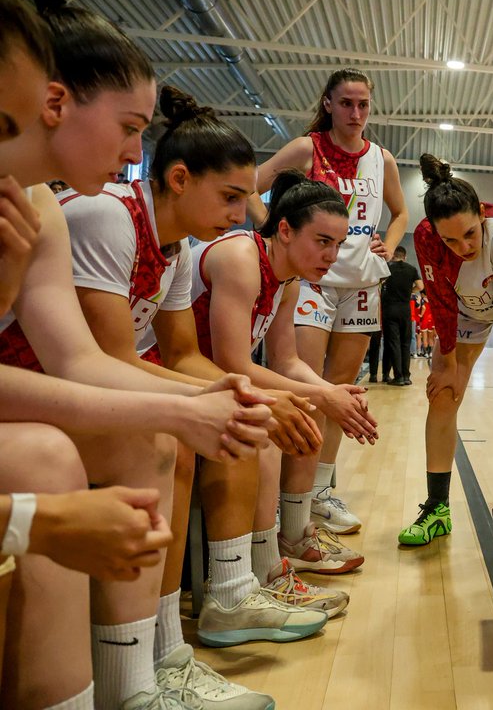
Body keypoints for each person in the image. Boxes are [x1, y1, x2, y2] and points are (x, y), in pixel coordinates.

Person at [0, 0, 274, 710]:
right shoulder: (100, 214)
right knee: (72, 453)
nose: (135, 147)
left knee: (172, 433)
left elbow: (84, 361)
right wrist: (193, 403)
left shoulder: (45, 210)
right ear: (53, 101)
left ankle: (146, 671)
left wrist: (208, 398)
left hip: (42, 392)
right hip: (31, 411)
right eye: (129, 127)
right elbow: (111, 361)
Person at [61, 85, 329, 704]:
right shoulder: (107, 215)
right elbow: (109, 360)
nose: (240, 215)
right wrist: (214, 394)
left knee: (226, 417)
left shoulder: (175, 246)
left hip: (89, 379)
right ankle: (147, 665)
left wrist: (226, 391)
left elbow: (180, 353)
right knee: (166, 438)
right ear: (179, 178)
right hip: (54, 384)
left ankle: (207, 616)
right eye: (232, 197)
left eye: (246, 199)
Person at [191, 168, 378, 603]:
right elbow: (232, 363)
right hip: (180, 374)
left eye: (338, 243)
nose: (332, 255)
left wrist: (331, 394)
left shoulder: (289, 280)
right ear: (286, 230)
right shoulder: (241, 257)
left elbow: (287, 361)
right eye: (323, 241)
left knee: (306, 405)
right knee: (271, 423)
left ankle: (291, 541)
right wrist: (321, 393)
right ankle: (265, 573)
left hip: (213, 378)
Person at [254, 67, 409, 540]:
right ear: (328, 104)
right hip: (313, 280)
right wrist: (274, 236)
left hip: (361, 282)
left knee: (342, 391)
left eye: (363, 104)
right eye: (346, 103)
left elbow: (401, 212)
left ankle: (317, 493)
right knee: (305, 387)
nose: (355, 113)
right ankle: (283, 501)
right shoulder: (308, 148)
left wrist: (390, 239)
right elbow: (250, 185)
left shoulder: (382, 158)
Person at [400, 154, 493, 554]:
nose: (463, 247)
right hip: (468, 307)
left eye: (469, 234)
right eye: (450, 240)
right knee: (444, 394)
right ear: (434, 231)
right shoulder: (425, 238)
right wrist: (447, 362)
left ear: (482, 214)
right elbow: (438, 300)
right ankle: (436, 508)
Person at [380, 246, 421, 385]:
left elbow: (379, 284)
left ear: (393, 256)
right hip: (405, 309)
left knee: (394, 343)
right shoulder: (412, 269)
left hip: (390, 309)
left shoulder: (387, 268)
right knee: (406, 343)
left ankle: (398, 377)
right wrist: (409, 291)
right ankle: (406, 376)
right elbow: (420, 287)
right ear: (405, 256)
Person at [414, 291, 435, 357]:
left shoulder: (423, 300)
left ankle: (426, 353)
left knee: (425, 337)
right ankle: (431, 352)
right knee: (431, 337)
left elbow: (423, 307)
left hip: (424, 319)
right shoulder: (432, 300)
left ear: (422, 294)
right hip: (431, 319)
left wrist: (420, 315)